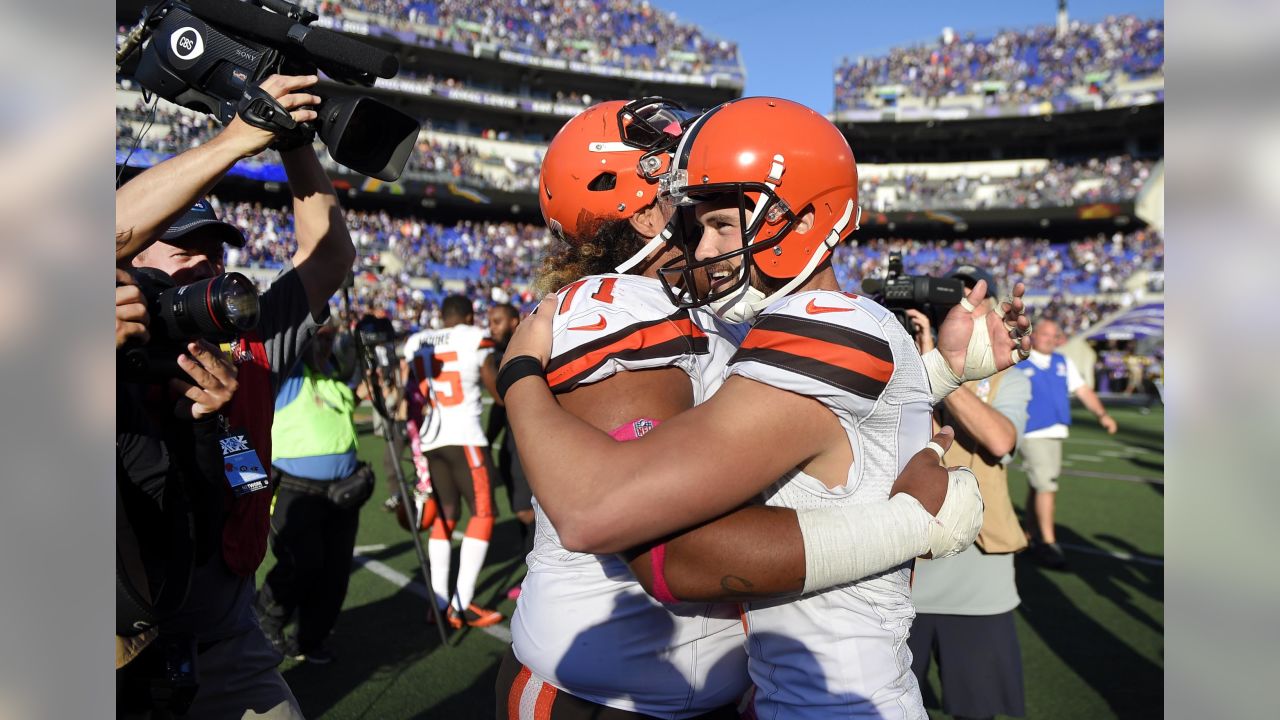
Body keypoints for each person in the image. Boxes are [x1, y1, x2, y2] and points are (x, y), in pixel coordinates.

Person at [501, 97, 1031, 719]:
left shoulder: (725, 313)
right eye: (692, 206)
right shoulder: (622, 305)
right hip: (609, 693)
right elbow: (627, 523)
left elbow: (803, 427)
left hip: (696, 682)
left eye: (718, 215)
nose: (702, 239)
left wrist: (931, 375)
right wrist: (909, 525)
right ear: (649, 215)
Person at [115, 73, 354, 719]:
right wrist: (237, 136)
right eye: (182, 249)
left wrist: (295, 137)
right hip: (118, 644)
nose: (206, 267)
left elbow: (328, 256)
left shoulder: (247, 342)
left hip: (227, 635)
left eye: (214, 252)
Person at [905, 266, 1032, 720]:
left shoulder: (1008, 375)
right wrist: (919, 361)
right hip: (903, 573)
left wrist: (941, 369)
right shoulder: (903, 363)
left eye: (968, 301)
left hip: (977, 582)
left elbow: (1000, 441)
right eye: (947, 301)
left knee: (976, 709)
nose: (955, 310)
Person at [255, 319, 372, 665]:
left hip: (344, 494)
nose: (325, 345)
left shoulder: (333, 382)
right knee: (300, 565)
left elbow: (356, 382)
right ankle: (266, 624)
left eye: (330, 339)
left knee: (335, 573)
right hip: (297, 489)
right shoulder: (291, 379)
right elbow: (291, 338)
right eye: (319, 339)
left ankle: (310, 639)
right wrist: (313, 327)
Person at [402, 294, 503, 628]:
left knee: (444, 516)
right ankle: (459, 603)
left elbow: (409, 393)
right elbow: (493, 383)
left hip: (430, 439)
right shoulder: (473, 337)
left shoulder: (417, 340)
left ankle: (438, 602)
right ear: (469, 315)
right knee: (484, 513)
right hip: (465, 436)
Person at [1017, 318, 1118, 569]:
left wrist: (1102, 414)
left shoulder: (1063, 362)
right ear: (1034, 334)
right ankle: (1048, 542)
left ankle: (1030, 534)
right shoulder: (1020, 362)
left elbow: (1083, 390)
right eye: (1046, 334)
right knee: (1046, 484)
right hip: (1032, 431)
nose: (1051, 339)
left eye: (1055, 335)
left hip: (1056, 430)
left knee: (1038, 485)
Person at [481, 302, 531, 600]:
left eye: (498, 321)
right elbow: (500, 413)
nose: (492, 327)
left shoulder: (521, 349)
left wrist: (486, 368)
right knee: (520, 511)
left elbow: (502, 399)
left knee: (527, 511)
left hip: (526, 445)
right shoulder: (498, 352)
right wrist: (488, 440)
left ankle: (534, 578)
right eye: (490, 321)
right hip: (510, 444)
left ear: (515, 321)